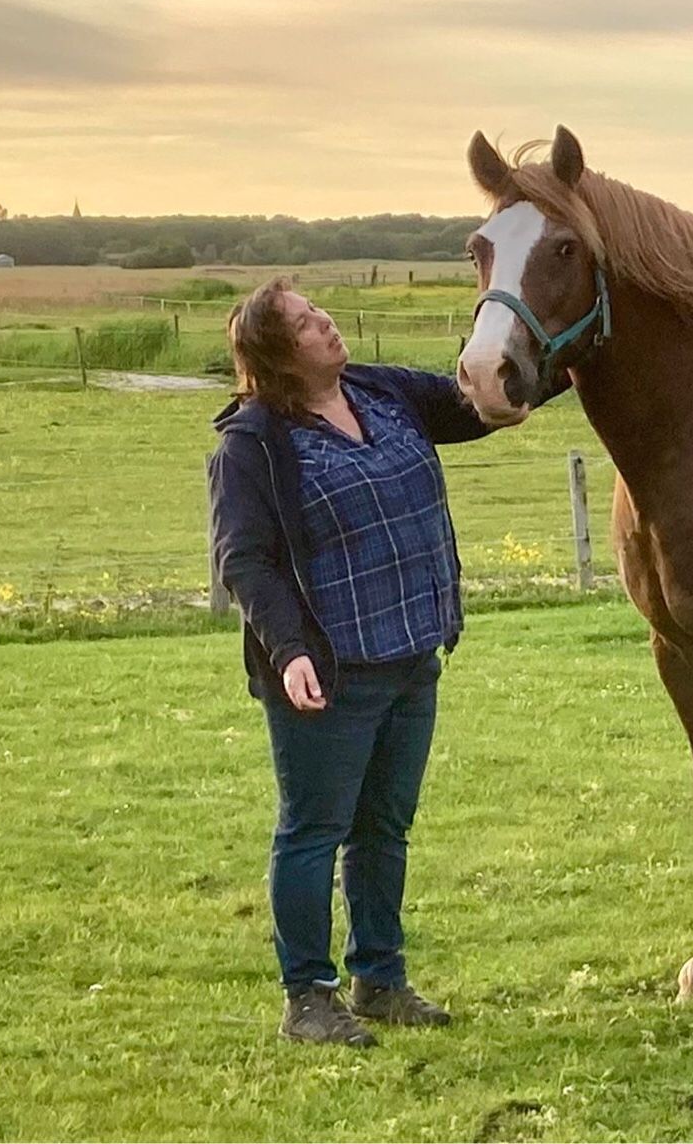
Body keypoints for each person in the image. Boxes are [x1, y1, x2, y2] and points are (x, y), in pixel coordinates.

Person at [208, 278, 492, 1048]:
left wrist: (558, 358)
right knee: (313, 830)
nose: (326, 323)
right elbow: (246, 560)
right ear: (277, 355)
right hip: (330, 676)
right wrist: (289, 649)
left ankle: (381, 980)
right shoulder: (254, 443)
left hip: (412, 654)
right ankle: (309, 999)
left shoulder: (381, 390)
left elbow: (477, 407)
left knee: (384, 830)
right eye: (305, 323)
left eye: (319, 311)